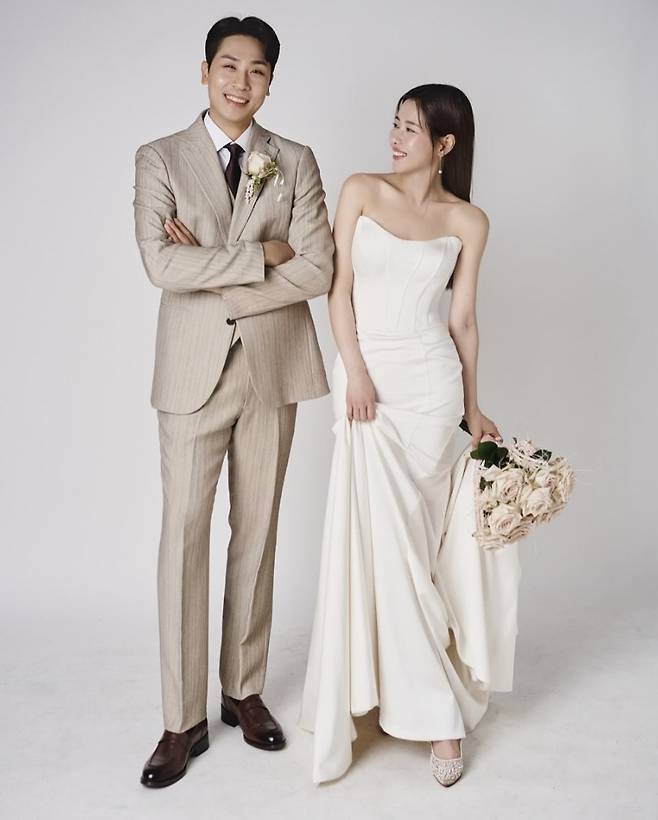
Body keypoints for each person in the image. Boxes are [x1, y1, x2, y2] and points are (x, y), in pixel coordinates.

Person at [299, 84, 522, 786]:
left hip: (431, 392)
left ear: (445, 144)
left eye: (411, 129)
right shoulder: (361, 190)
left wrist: (473, 407)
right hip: (368, 385)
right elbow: (337, 291)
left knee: (415, 553)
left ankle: (415, 695)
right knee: (386, 548)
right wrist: (354, 372)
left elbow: (462, 321)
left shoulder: (469, 220)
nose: (395, 139)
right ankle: (437, 718)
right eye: (394, 124)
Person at [132, 15, 334, 788]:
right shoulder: (160, 157)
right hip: (191, 375)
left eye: (256, 70)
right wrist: (260, 255)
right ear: (205, 71)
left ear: (271, 81)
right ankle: (180, 718)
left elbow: (318, 269)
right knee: (183, 535)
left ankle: (242, 690)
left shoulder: (295, 159)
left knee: (258, 530)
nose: (240, 81)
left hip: (272, 369)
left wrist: (214, 267)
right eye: (228, 65)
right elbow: (160, 265)